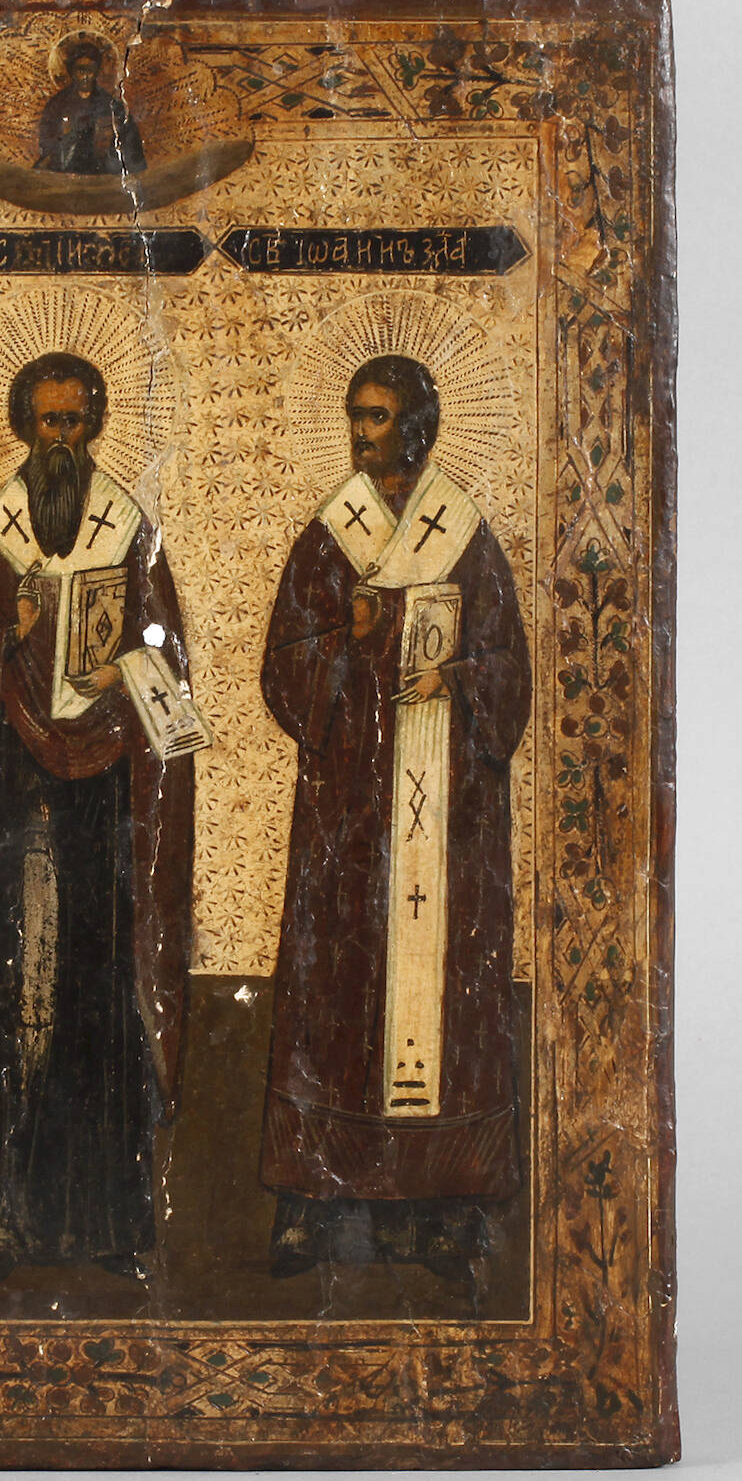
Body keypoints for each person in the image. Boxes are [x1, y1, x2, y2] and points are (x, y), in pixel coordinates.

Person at [259, 354, 531, 1283]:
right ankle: (313, 1201)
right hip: (351, 808)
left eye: (377, 417)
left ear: (416, 426)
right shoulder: (331, 535)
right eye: (355, 415)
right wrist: (351, 641)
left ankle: (445, 1206)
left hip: (447, 815)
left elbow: (508, 670)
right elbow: (285, 663)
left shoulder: (467, 538)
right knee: (335, 988)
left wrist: (456, 677)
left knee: (444, 993)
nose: (361, 432)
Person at [0, 351, 192, 1286]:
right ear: (24, 427)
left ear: (94, 426)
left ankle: (108, 1222)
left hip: (105, 793)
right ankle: (2, 1217)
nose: (61, 439)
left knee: (100, 994)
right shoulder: (0, 533)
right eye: (48, 422)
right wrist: (9, 632)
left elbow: (167, 654)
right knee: (19, 992)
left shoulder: (126, 526)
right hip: (17, 793)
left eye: (75, 422)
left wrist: (125, 666)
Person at [34, 40, 146, 176]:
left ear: (97, 71)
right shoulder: (58, 105)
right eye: (80, 69)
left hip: (102, 172)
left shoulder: (110, 105)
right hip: (66, 172)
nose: (85, 75)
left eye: (90, 69)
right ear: (71, 71)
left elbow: (131, 145)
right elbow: (47, 142)